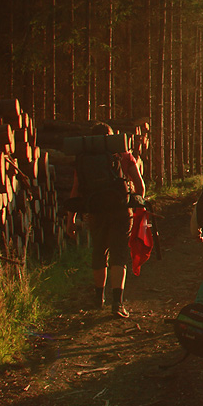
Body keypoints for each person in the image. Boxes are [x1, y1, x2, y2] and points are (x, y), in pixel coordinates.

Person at [66, 123, 147, 318]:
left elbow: (76, 189)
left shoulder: (83, 158)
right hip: (120, 211)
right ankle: (117, 304)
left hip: (95, 211)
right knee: (119, 253)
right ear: (111, 138)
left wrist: (71, 219)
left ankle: (97, 299)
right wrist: (138, 210)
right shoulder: (123, 155)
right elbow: (140, 186)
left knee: (99, 251)